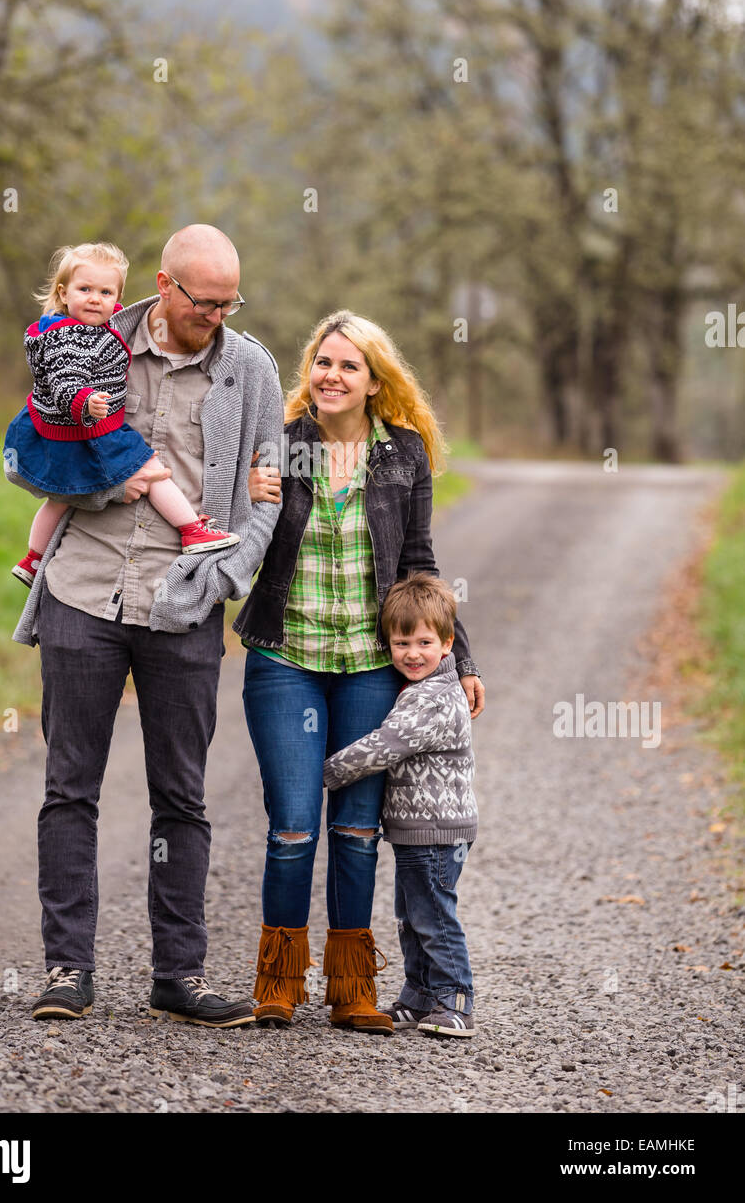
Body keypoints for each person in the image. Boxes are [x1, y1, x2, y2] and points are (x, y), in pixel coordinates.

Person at [7, 224, 284, 1027]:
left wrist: (229, 572)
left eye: (230, 302)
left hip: (185, 601)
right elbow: (31, 459)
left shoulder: (251, 370)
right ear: (162, 286)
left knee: (182, 797)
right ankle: (67, 970)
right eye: (205, 301)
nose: (218, 315)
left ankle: (180, 975)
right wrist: (102, 493)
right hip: (84, 591)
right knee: (69, 789)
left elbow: (268, 490)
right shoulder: (86, 342)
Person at [235, 310, 485, 1033]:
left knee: (354, 830)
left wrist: (457, 657)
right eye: (321, 362)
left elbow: (420, 566)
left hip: (373, 666)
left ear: (375, 381)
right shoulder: (278, 448)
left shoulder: (402, 454)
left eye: (348, 366)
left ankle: (352, 991)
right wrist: (248, 500)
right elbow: (238, 537)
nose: (331, 376)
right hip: (287, 658)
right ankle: (277, 983)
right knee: (291, 828)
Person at [4, 241, 237, 588]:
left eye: (106, 292)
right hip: (89, 428)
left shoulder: (85, 328)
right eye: (85, 290)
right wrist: (83, 402)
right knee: (153, 471)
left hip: (72, 429)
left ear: (117, 298)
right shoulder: (70, 336)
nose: (96, 299)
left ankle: (33, 558)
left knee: (58, 500)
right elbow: (65, 377)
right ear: (63, 293)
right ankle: (191, 530)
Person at [323, 573, 478, 1038]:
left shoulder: (433, 697)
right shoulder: (417, 688)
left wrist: (324, 771)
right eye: (401, 642)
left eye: (424, 642)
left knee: (432, 915)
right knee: (411, 916)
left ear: (448, 644)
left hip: (438, 828)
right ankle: (417, 996)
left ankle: (455, 999)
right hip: (416, 830)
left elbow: (386, 745)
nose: (412, 653)